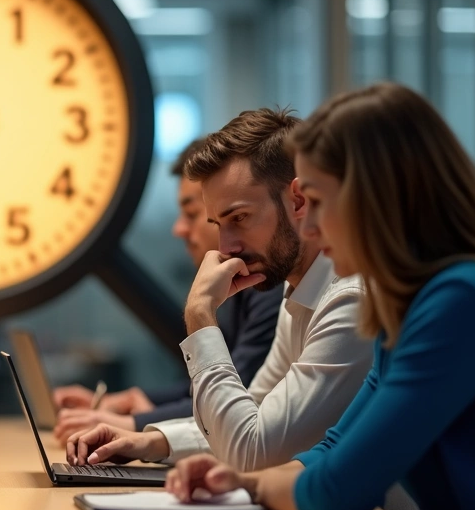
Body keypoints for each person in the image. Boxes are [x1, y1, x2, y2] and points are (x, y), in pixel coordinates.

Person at [157, 83, 475, 510]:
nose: (307, 226)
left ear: (380, 197)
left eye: (319, 201)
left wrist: (250, 482)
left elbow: (337, 492)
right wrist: (236, 479)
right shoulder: (405, 308)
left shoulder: (462, 301)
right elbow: (328, 457)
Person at [66, 108, 370, 472]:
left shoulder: (349, 301)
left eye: (239, 218)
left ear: (299, 201)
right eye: (217, 223)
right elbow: (250, 416)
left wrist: (199, 315)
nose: (225, 247)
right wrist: (149, 441)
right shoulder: (300, 293)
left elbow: (252, 451)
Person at [52, 140, 279, 439]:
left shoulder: (273, 288)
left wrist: (136, 424)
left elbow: (237, 403)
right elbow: (215, 393)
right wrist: (125, 405)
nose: (179, 229)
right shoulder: (246, 284)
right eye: (211, 219)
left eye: (193, 214)